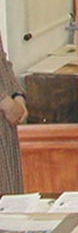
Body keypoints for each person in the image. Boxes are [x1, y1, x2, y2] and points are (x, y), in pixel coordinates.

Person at [0, 33, 27, 195]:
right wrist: (5, 101)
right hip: (4, 106)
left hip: (5, 124)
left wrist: (18, 95)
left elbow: (2, 60)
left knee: (9, 196)